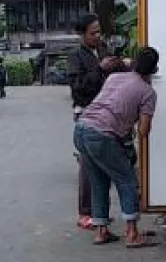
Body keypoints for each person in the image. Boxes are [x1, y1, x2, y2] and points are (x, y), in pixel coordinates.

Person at [73, 46, 159, 248]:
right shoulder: (148, 92)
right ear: (154, 70)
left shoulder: (114, 78)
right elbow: (143, 131)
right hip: (103, 135)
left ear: (135, 62)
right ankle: (132, 233)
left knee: (98, 181)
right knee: (126, 180)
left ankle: (101, 231)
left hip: (81, 128)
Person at [66, 15, 128, 230]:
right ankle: (86, 212)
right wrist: (100, 69)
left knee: (110, 162)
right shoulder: (75, 57)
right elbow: (78, 88)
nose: (97, 36)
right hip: (88, 112)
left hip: (110, 111)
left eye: (99, 31)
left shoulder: (103, 50)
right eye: (93, 33)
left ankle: (102, 213)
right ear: (82, 34)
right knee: (88, 164)